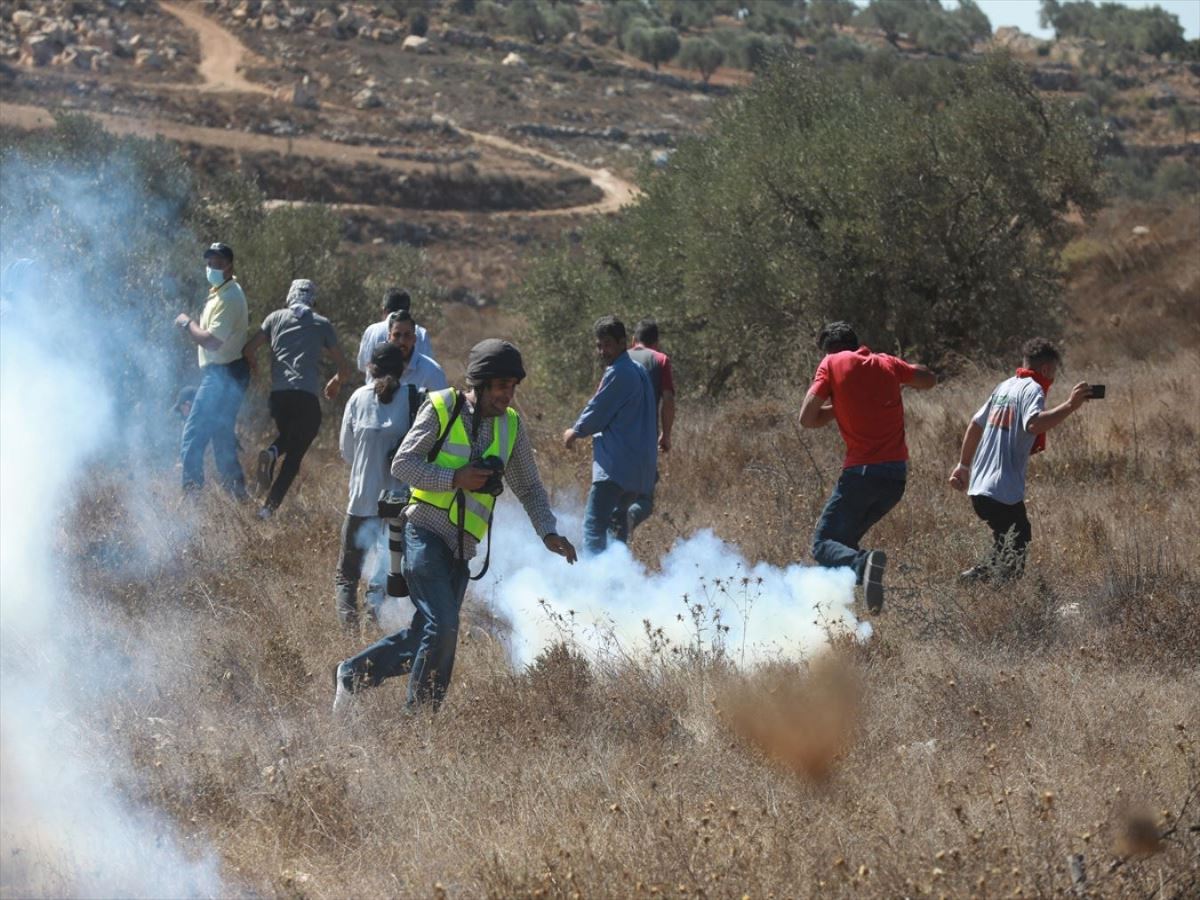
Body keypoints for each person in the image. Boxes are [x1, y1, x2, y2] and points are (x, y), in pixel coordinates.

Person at [333, 339, 577, 712]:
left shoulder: (512, 425)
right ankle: (420, 724)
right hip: (424, 533)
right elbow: (403, 465)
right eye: (500, 387)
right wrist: (456, 478)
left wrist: (548, 532)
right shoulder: (442, 407)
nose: (507, 396)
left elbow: (528, 486)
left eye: (512, 387)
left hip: (462, 548)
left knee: (426, 635)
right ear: (479, 384)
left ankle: (352, 675)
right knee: (443, 627)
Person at [799, 321, 937, 613]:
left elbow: (807, 417)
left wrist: (840, 402)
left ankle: (864, 564)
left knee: (824, 543)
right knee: (843, 543)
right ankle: (838, 610)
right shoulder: (885, 362)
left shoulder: (831, 363)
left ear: (828, 350)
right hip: (895, 479)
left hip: (862, 474)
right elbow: (927, 380)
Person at [949, 338, 1093, 581]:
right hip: (1001, 489)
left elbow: (975, 423)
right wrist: (1070, 405)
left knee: (1011, 541)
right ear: (1046, 369)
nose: (1053, 378)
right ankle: (978, 585)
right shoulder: (1033, 389)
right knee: (1016, 547)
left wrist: (963, 466)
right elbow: (1034, 424)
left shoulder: (1004, 387)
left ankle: (980, 583)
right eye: (1054, 372)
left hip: (980, 488)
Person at [335, 336, 450, 632]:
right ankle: (375, 612)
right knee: (387, 561)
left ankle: (348, 630)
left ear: (371, 368)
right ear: (402, 368)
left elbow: (346, 450)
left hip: (361, 498)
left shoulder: (357, 398)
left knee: (347, 573)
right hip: (398, 499)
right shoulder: (416, 398)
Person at [241, 279, 350, 518]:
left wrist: (256, 368)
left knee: (288, 439)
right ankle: (267, 510)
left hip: (279, 397)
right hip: (306, 396)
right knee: (295, 455)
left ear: (290, 297)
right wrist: (336, 381)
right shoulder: (322, 324)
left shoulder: (274, 318)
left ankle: (272, 453)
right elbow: (344, 366)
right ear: (313, 300)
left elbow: (249, 349)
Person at [563, 316, 658, 556]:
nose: (602, 351)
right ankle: (616, 581)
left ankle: (593, 583)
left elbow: (598, 408)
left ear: (622, 342)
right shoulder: (638, 370)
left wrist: (575, 432)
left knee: (594, 527)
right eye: (599, 345)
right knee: (617, 528)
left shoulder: (619, 371)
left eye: (607, 344)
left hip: (615, 467)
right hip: (638, 470)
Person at [175, 242, 250, 499]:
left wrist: (187, 324)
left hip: (223, 375)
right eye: (209, 262)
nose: (211, 267)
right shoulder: (220, 292)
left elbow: (211, 341)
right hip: (226, 373)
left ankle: (192, 498)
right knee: (222, 439)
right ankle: (238, 497)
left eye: (217, 262)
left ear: (229, 265)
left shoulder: (229, 297)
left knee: (193, 435)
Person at [617, 317, 676, 541]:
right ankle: (622, 525)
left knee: (618, 495)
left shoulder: (619, 360)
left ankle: (614, 544)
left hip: (615, 442)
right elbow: (668, 399)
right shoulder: (660, 360)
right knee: (644, 500)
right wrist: (666, 435)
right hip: (644, 442)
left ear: (633, 340)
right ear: (657, 343)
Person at [357, 288, 434, 379]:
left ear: (384, 309)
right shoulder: (421, 333)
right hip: (414, 392)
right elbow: (429, 369)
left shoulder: (372, 331)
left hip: (375, 391)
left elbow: (362, 366)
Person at [381, 309, 447, 391]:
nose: (402, 341)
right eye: (397, 335)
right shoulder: (381, 369)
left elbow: (443, 403)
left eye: (407, 335)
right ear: (389, 338)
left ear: (414, 338)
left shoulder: (432, 372)